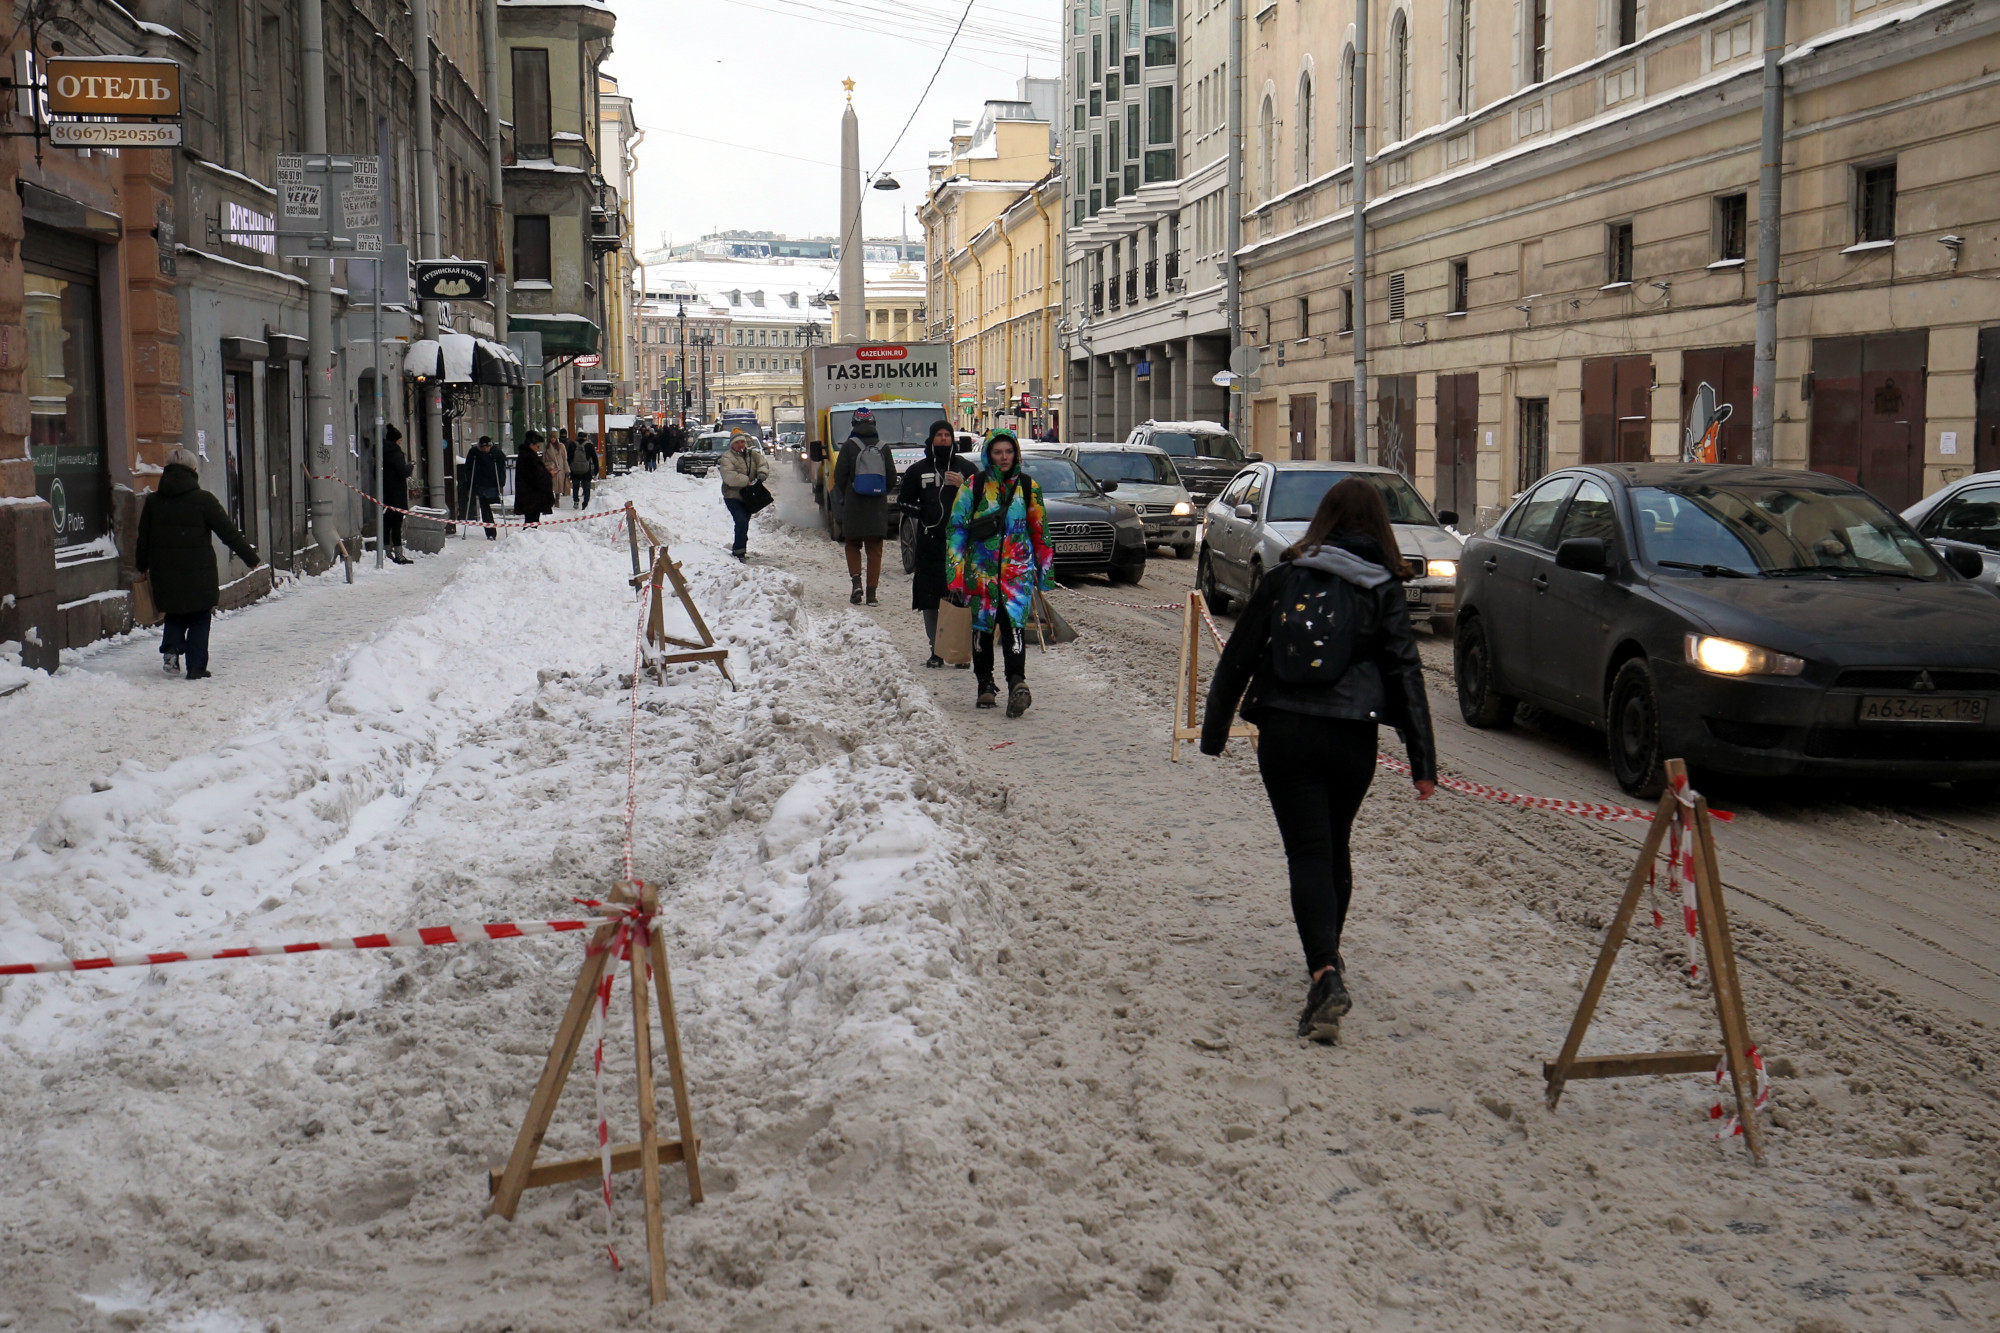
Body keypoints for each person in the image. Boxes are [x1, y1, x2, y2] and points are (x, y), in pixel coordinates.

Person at [1200, 477, 1438, 1043]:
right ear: (1379, 527)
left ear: (1322, 522)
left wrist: (1214, 732)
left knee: (1307, 849)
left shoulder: (1284, 578)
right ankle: (1329, 954)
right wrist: (1423, 760)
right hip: (1353, 737)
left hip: (1286, 731)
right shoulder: (1383, 588)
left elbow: (1238, 657)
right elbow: (1406, 674)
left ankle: (1324, 972)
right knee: (1334, 845)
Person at [946, 428, 1053, 716]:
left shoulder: (1029, 487)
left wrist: (1045, 570)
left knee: (1013, 630)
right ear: (988, 454)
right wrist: (955, 574)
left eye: (1008, 452)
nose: (1004, 457)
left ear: (1016, 454)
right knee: (982, 631)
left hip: (1016, 574)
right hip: (980, 573)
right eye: (998, 452)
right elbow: (956, 530)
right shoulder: (973, 486)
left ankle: (1017, 682)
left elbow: (1040, 531)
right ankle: (985, 684)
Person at [135, 447, 261, 680]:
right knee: (199, 617)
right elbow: (228, 532)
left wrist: (141, 566)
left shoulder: (153, 501)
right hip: (199, 573)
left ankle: (172, 648)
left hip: (165, 573)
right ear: (193, 471)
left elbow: (144, 538)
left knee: (174, 613)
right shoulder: (203, 500)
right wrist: (251, 558)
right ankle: (196, 667)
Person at [898, 419, 967, 668]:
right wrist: (925, 514)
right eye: (939, 434)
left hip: (960, 545)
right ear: (931, 438)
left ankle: (959, 649)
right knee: (931, 599)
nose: (943, 438)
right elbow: (903, 501)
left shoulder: (966, 468)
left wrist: (964, 487)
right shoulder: (918, 471)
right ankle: (935, 650)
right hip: (930, 545)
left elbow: (983, 501)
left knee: (960, 598)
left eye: (947, 434)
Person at [832, 406, 897, 605]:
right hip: (876, 506)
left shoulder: (849, 446)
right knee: (875, 549)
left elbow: (839, 476)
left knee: (853, 544)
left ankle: (856, 583)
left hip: (854, 504)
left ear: (854, 424)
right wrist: (879, 492)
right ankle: (872, 594)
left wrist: (848, 493)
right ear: (873, 423)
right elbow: (892, 477)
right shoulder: (883, 447)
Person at [717, 429, 769, 560]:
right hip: (733, 495)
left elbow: (763, 463)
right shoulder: (727, 458)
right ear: (732, 444)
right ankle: (738, 551)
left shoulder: (752, 455)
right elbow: (729, 476)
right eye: (738, 442)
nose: (741, 445)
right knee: (741, 521)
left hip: (748, 496)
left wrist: (762, 473)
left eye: (742, 442)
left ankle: (741, 548)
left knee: (744, 522)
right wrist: (748, 481)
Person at [380, 424, 414, 563]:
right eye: (399, 441)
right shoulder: (396, 453)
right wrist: (410, 466)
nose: (400, 443)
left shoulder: (383, 452)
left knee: (387, 522)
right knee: (396, 523)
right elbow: (402, 472)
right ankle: (398, 554)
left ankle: (387, 552)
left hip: (386, 492)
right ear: (395, 441)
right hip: (396, 494)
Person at [463, 435, 507, 539]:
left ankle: (491, 531)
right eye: (483, 447)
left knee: (491, 505)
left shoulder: (497, 453)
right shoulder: (474, 453)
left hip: (493, 484)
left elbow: (501, 469)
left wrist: (501, 484)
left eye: (487, 447)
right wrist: (470, 483)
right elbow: (468, 469)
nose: (486, 449)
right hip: (481, 485)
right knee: (485, 509)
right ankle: (490, 532)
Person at [515, 430, 556, 525]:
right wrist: (549, 475)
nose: (538, 449)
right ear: (531, 445)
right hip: (531, 497)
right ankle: (524, 539)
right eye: (537, 446)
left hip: (531, 497)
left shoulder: (527, 455)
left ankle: (526, 539)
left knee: (532, 521)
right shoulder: (529, 457)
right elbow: (536, 476)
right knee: (531, 523)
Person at [569, 430, 598, 509]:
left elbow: (569, 458)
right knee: (586, 487)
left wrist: (568, 469)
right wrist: (596, 470)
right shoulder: (589, 445)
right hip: (586, 470)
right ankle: (585, 504)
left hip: (575, 470)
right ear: (586, 437)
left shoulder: (572, 445)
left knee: (575, 486)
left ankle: (576, 501)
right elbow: (594, 458)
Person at [545, 426, 571, 507]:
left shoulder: (561, 446)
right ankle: (553, 500)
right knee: (551, 486)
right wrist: (548, 465)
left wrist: (567, 470)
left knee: (559, 487)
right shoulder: (547, 448)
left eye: (554, 437)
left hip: (560, 469)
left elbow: (564, 459)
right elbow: (544, 460)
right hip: (551, 470)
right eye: (551, 437)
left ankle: (557, 499)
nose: (553, 439)